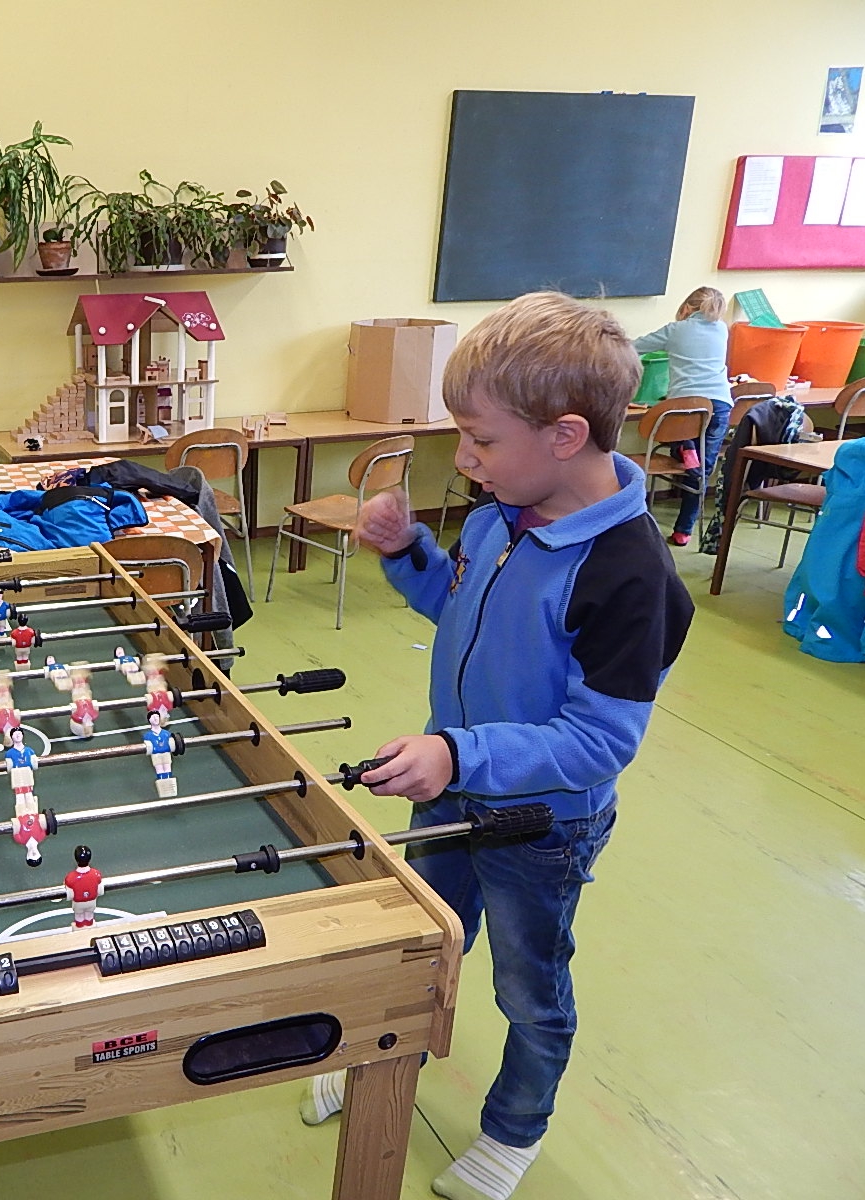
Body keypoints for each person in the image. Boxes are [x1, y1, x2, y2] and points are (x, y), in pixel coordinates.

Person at [298, 293, 694, 1200]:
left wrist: (459, 753)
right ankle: (382, 1059)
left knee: (529, 987)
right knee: (420, 945)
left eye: (480, 440)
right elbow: (458, 609)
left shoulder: (629, 575)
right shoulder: (497, 515)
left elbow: (599, 740)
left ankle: (516, 1127)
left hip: (540, 827)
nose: (465, 459)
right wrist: (409, 553)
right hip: (452, 790)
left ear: (564, 436)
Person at [631, 286, 732, 546]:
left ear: (687, 307)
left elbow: (634, 347)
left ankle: (685, 449)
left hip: (685, 406)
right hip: (719, 404)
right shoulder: (722, 329)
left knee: (674, 431)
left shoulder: (676, 330)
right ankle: (684, 531)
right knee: (702, 470)